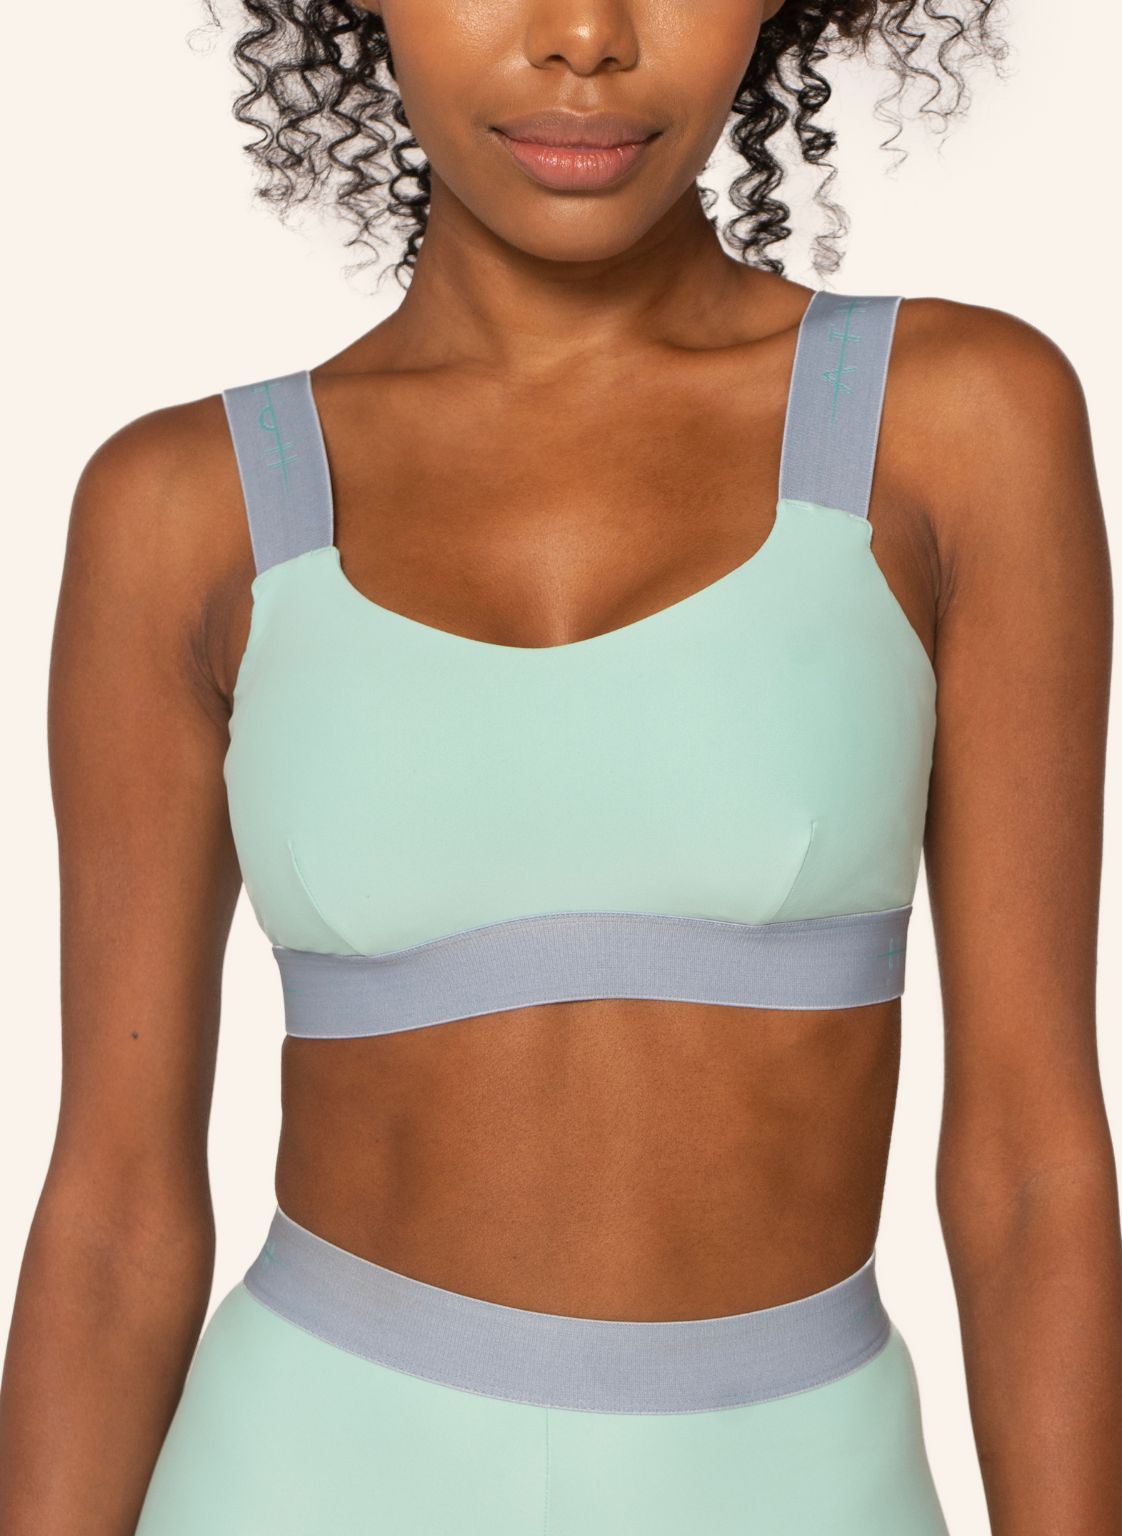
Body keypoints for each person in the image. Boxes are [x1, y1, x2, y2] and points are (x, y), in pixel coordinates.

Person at [1, 2, 1119, 1532]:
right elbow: (114, 1217)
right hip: (299, 1472)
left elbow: (1030, 1169)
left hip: (797, 1487)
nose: (585, 35)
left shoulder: (955, 421)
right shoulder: (179, 508)